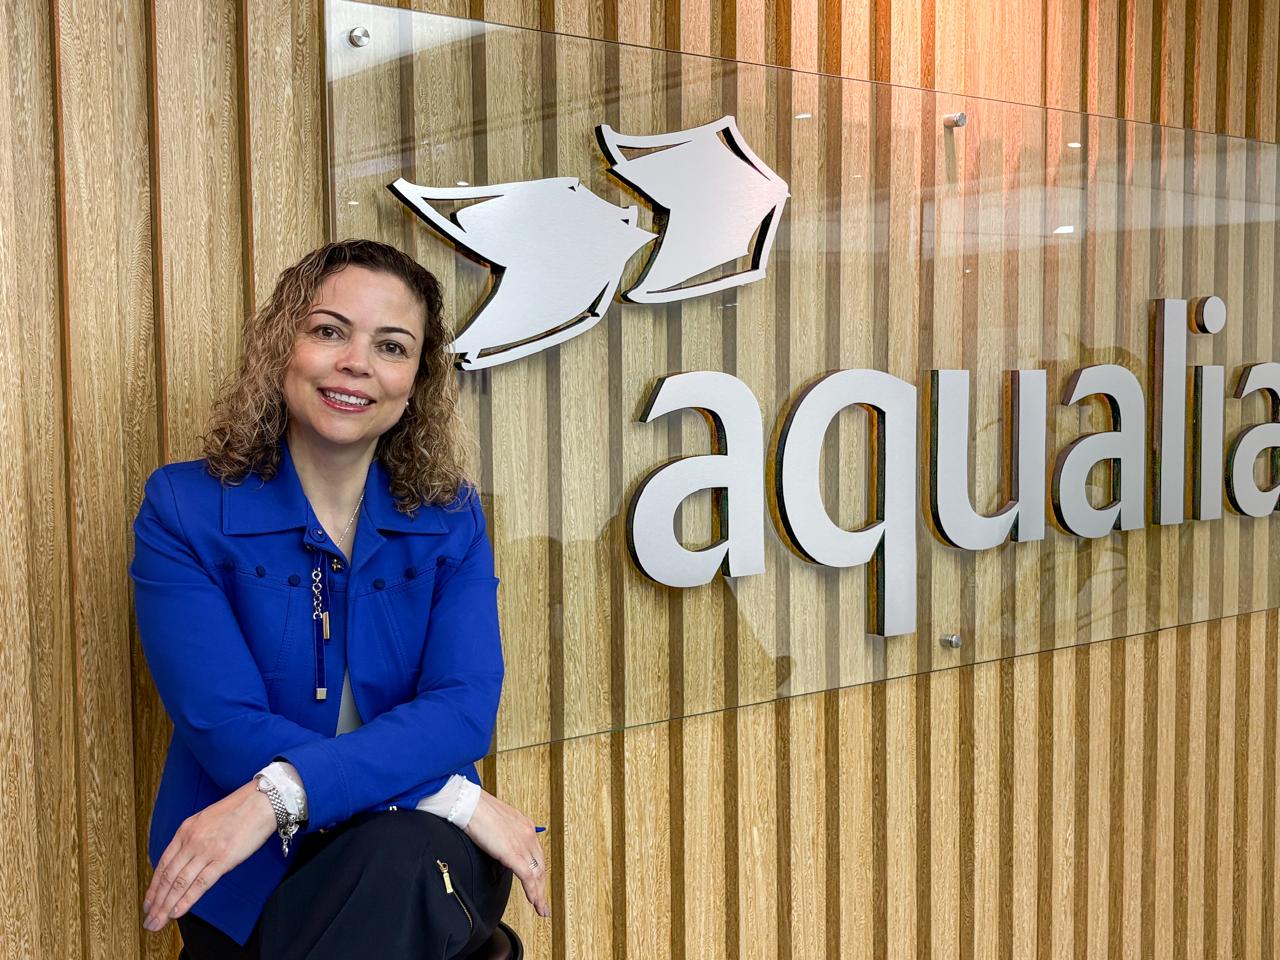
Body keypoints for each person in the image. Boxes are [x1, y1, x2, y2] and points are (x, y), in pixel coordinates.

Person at [130, 239, 548, 959]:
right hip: (251, 870)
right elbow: (223, 723)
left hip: (421, 858)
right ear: (281, 347)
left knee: (398, 858)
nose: (357, 362)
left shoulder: (451, 518)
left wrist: (286, 791)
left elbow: (463, 708)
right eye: (330, 331)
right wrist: (448, 795)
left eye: (391, 346)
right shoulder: (183, 508)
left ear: (416, 380)